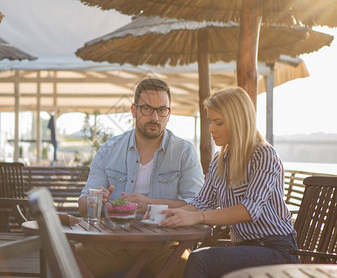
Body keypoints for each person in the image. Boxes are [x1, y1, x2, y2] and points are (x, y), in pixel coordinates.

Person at [159, 86, 300, 278]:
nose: (211, 129)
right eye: (210, 122)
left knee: (200, 260)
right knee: (187, 257)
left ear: (238, 122)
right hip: (245, 249)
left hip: (276, 250)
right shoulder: (220, 159)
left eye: (218, 123)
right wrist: (172, 216)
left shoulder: (264, 155)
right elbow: (202, 202)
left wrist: (198, 217)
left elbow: (248, 210)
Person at [77, 78, 204, 277]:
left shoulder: (183, 152)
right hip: (114, 243)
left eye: (162, 110)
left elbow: (198, 204)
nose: (155, 117)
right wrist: (97, 201)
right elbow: (83, 204)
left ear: (169, 114)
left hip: (166, 246)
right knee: (69, 261)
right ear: (134, 110)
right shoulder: (109, 150)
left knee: (190, 269)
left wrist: (149, 204)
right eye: (147, 109)